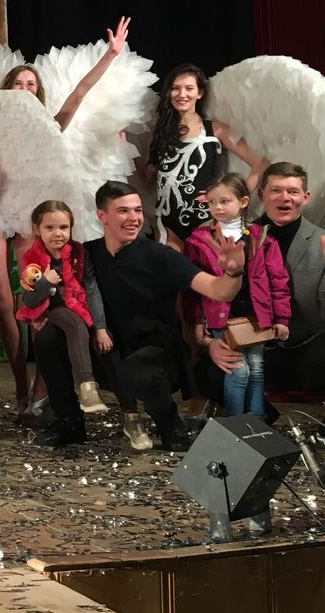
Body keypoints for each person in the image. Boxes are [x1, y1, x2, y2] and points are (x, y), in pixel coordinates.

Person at [0, 12, 131, 411]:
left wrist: (110, 55)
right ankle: (21, 385)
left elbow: (78, 93)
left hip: (28, 216)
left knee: (34, 298)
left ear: (37, 96)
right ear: (6, 90)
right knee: (3, 301)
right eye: (17, 84)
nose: (23, 89)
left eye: (30, 85)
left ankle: (41, 388)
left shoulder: (49, 123)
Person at [47, 181, 247, 452]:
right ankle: (70, 424)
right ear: (102, 216)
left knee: (138, 370)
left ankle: (171, 428)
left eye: (138, 210)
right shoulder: (87, 253)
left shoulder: (160, 256)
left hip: (157, 354)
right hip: (108, 351)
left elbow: (218, 290)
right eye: (123, 211)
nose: (134, 218)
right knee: (49, 338)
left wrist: (233, 272)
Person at [185, 174, 290, 420]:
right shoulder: (199, 241)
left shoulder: (262, 239)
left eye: (224, 201)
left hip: (256, 316)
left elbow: (278, 281)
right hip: (221, 317)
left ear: (243, 202)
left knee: (257, 370)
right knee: (238, 370)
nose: (217, 207)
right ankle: (234, 424)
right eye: (212, 202)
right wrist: (196, 321)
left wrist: (281, 318)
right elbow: (191, 290)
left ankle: (255, 422)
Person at [148, 63, 268, 249]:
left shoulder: (216, 130)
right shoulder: (160, 133)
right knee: (170, 267)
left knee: (208, 266)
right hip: (167, 223)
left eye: (189, 88)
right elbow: (148, 178)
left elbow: (261, 164)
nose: (182, 94)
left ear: (200, 93)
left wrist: (233, 196)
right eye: (175, 88)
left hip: (206, 220)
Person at [17, 201, 111, 434]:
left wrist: (100, 328)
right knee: (72, 323)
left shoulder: (79, 253)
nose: (57, 233)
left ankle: (85, 393)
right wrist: (45, 282)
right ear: (37, 229)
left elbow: (92, 290)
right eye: (50, 228)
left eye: (63, 227)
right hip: (51, 311)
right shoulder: (32, 259)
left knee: (76, 323)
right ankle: (87, 387)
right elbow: (29, 300)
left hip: (79, 308)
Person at [255, 163, 325, 393]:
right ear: (261, 195)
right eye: (275, 190)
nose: (284, 198)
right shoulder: (238, 238)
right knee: (210, 374)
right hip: (251, 345)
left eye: (293, 191)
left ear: (305, 197)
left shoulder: (321, 241)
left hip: (306, 349)